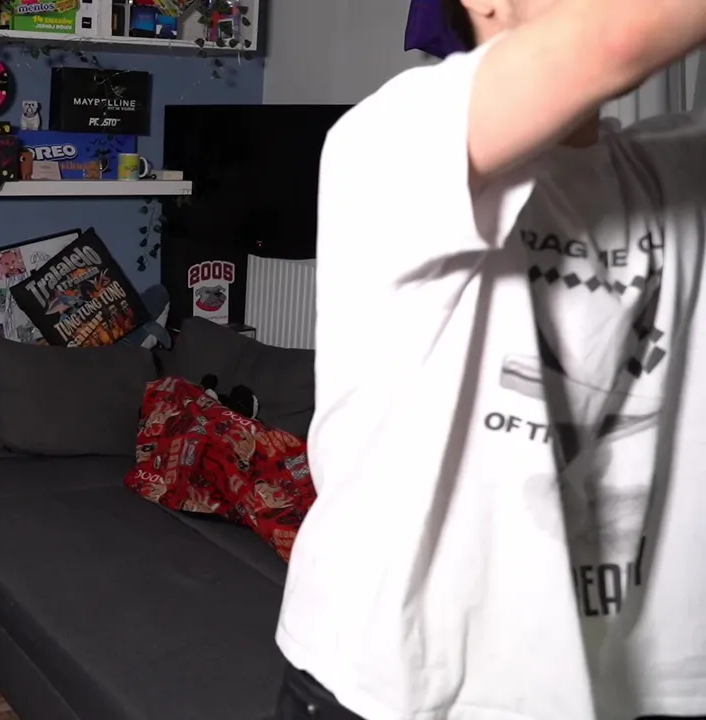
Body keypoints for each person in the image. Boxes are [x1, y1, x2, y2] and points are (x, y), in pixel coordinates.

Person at [274, 2, 706, 719]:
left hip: (636, 688)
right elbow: (617, 38)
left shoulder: (676, 168)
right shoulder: (392, 134)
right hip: (396, 689)